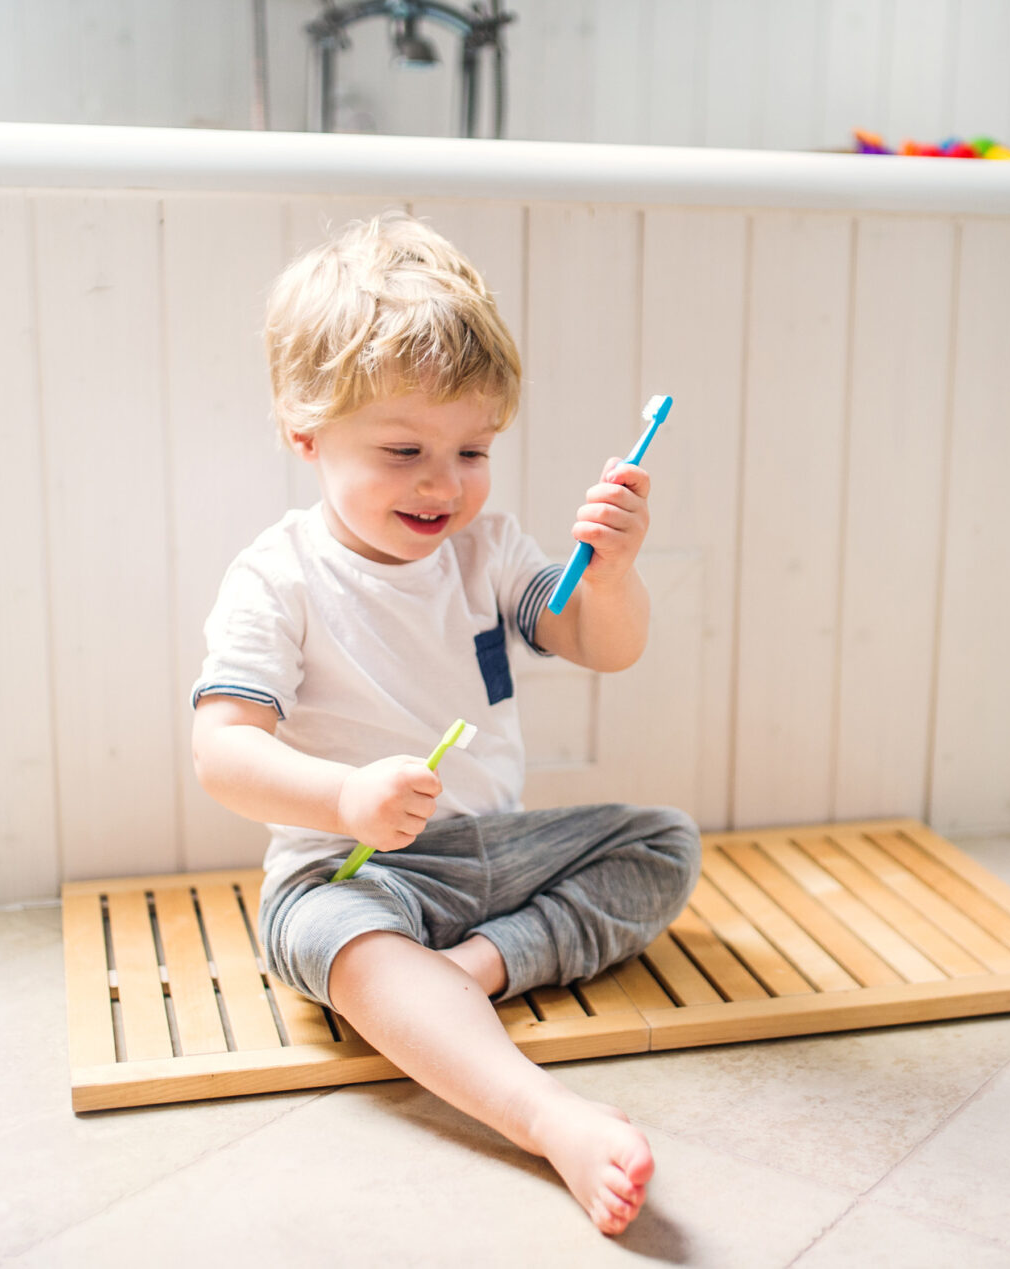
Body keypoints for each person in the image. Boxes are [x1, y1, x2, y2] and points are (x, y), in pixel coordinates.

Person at [189, 212, 700, 1236]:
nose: (443, 482)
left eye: (473, 449)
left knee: (662, 845)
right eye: (404, 449)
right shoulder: (278, 578)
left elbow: (603, 644)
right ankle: (544, 1116)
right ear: (306, 433)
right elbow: (221, 752)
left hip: (489, 854)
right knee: (338, 939)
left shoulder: (491, 553)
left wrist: (620, 570)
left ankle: (465, 976)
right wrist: (343, 795)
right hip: (351, 869)